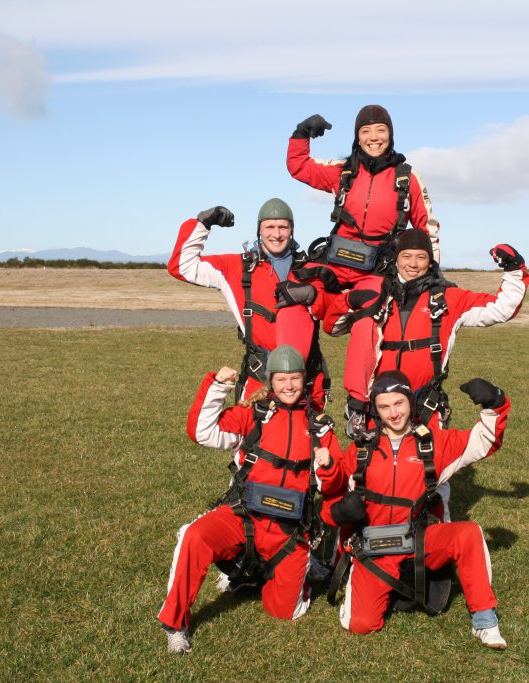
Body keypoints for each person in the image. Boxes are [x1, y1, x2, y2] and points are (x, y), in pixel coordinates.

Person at [157, 346, 345, 654]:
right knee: (194, 536)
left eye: (295, 378)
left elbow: (332, 486)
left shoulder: (319, 427)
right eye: (281, 379)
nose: (288, 386)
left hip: (289, 530)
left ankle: (265, 572)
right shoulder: (254, 415)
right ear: (271, 381)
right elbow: (202, 432)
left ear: (304, 380)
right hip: (244, 516)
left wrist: (328, 466)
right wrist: (217, 388)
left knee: (286, 613)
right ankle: (176, 623)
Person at [323, 371, 511, 649]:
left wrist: (495, 402)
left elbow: (485, 440)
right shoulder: (361, 450)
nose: (393, 413)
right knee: (360, 624)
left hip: (419, 539)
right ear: (375, 409)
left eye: (399, 403)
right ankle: (363, 582)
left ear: (411, 402)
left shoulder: (433, 443)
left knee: (467, 533)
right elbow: (331, 497)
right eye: (384, 407)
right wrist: (339, 513)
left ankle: (485, 621)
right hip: (375, 545)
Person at [274, 105, 439, 419]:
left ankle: (358, 404)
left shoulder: (407, 179)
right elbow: (299, 167)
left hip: (377, 272)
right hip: (335, 264)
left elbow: (426, 226)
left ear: (390, 134)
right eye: (366, 131)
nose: (373, 137)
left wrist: (431, 276)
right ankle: (288, 384)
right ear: (357, 136)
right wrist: (301, 133)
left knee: (369, 317)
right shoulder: (343, 171)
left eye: (380, 130)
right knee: (291, 295)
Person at [310, 230, 529, 446]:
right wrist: (350, 301)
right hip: (380, 409)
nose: (413, 264)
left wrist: (513, 269)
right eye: (406, 256)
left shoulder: (448, 299)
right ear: (396, 259)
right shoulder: (377, 293)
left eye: (421, 257)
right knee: (373, 475)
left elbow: (501, 308)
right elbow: (333, 326)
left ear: (430, 261)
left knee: (430, 475)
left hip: (425, 409)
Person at [167, 198, 328, 409]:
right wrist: (203, 223)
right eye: (269, 227)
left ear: (292, 230)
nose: (277, 234)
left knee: (306, 442)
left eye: (283, 227)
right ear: (259, 230)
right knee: (256, 441)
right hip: (258, 383)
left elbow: (336, 314)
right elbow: (182, 266)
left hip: (306, 385)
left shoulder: (311, 269)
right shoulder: (237, 268)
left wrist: (313, 295)